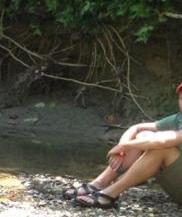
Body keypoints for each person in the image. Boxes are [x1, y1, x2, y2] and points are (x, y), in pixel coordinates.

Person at [64, 79, 182, 207]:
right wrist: (122, 146)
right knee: (143, 136)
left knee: (161, 148)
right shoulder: (179, 118)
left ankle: (110, 193)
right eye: (181, 98)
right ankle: (100, 183)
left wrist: (126, 145)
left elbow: (162, 141)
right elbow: (137, 128)